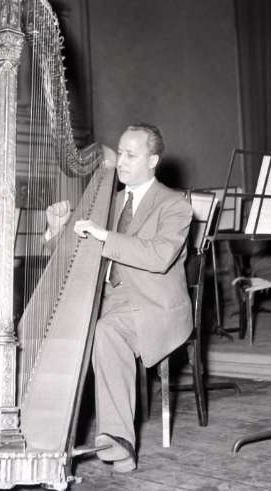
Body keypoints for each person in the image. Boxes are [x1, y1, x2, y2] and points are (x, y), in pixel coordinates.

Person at [74, 123, 193, 473]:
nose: (121, 161)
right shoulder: (108, 203)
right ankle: (45, 434)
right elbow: (77, 251)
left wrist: (104, 236)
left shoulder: (174, 205)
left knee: (107, 331)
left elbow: (159, 257)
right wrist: (56, 228)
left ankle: (119, 442)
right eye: (120, 153)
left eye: (131, 155)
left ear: (152, 160)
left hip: (152, 305)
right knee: (52, 332)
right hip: (107, 299)